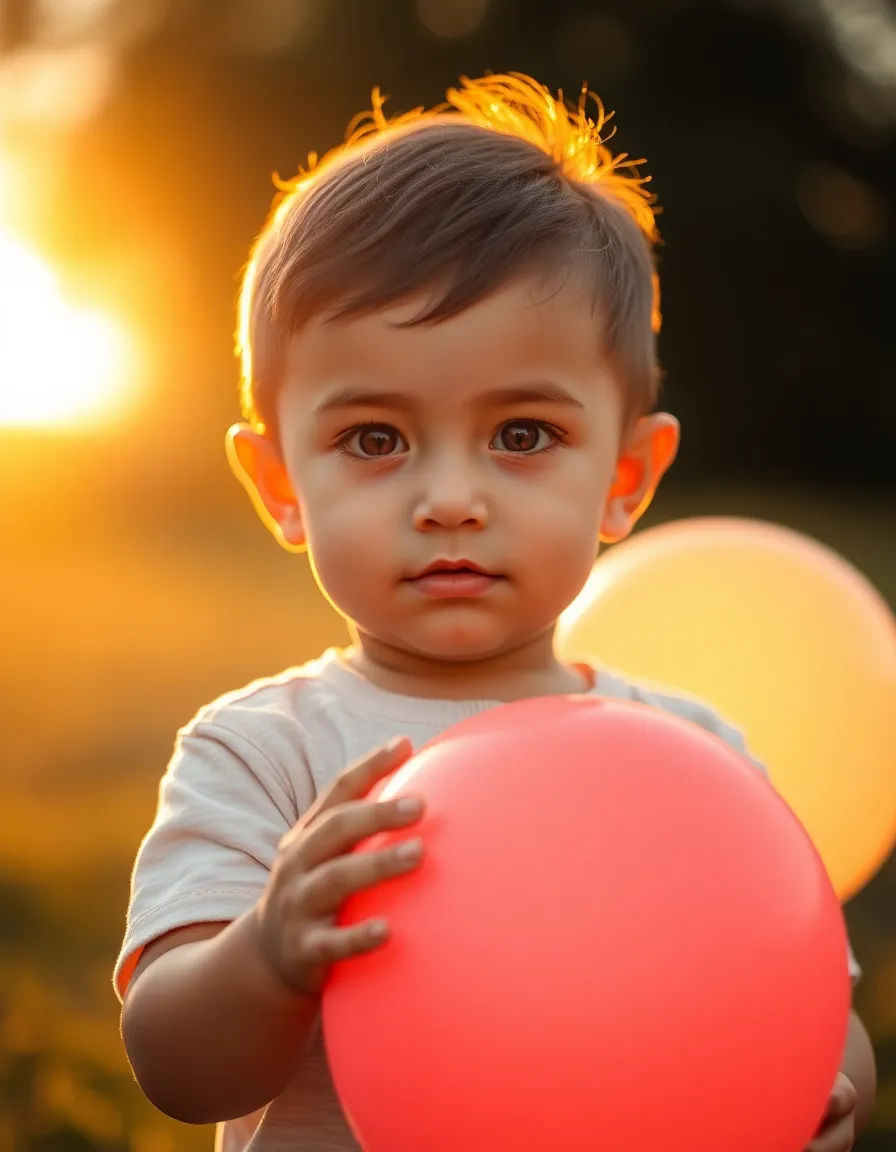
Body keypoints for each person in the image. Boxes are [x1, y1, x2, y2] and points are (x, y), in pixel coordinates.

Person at [114, 73, 876, 1152]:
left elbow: (819, 1009)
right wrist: (271, 950)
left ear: (624, 476)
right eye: (374, 439)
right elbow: (175, 1068)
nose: (451, 500)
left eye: (521, 435)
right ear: (281, 485)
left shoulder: (690, 764)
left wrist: (818, 1094)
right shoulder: (265, 758)